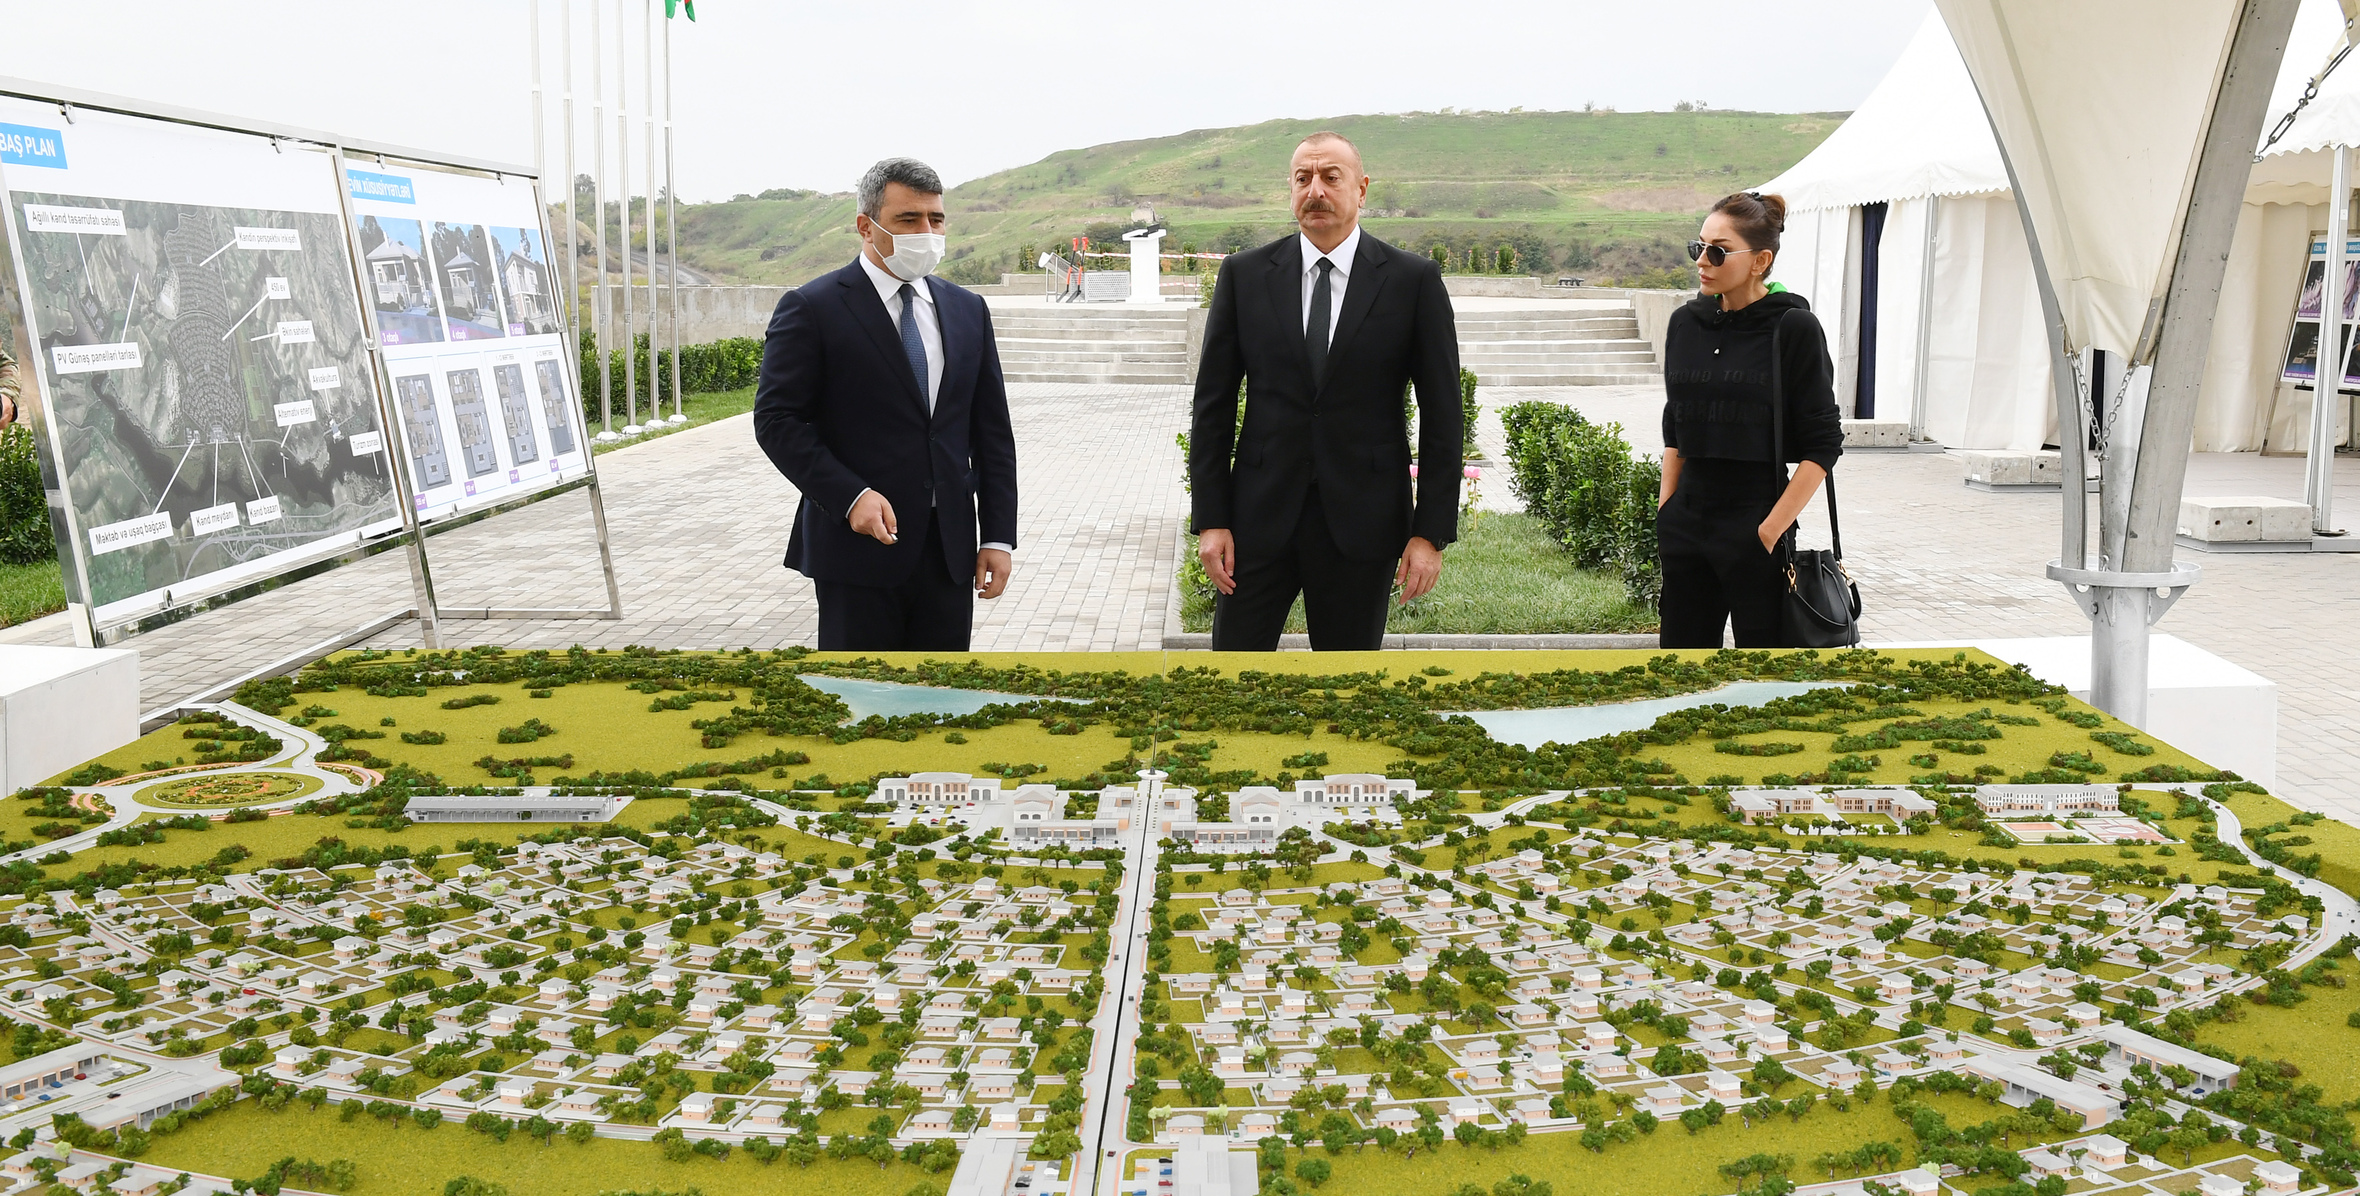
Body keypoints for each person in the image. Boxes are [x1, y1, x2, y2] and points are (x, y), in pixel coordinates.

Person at [1188, 131, 1463, 651]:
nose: (1315, 190)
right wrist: (1211, 520)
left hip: (1364, 524)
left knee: (1348, 681)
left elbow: (1444, 416)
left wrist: (1429, 534)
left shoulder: (1412, 281)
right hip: (1255, 523)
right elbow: (1212, 407)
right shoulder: (1245, 276)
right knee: (1231, 677)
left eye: (1330, 178)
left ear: (1361, 188)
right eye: (1302, 178)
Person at [753, 157, 1018, 651]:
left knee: (942, 691)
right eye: (908, 219)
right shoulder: (813, 307)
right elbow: (777, 420)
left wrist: (997, 537)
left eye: (936, 219)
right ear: (866, 226)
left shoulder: (967, 309)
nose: (926, 232)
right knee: (861, 690)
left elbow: (992, 435)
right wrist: (850, 496)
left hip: (950, 551)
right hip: (857, 549)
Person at [1656, 190, 1842, 649]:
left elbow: (1823, 444)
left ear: (1760, 261)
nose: (1703, 261)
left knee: (1763, 673)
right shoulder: (1685, 323)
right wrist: (1667, 513)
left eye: (1718, 251)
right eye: (1698, 247)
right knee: (1680, 668)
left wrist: (1769, 530)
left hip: (1756, 521)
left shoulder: (1793, 327)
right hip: (1687, 524)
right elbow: (1675, 424)